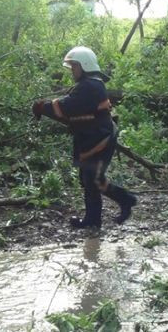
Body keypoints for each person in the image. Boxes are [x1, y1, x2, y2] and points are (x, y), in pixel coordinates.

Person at [32, 46, 137, 229]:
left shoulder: (91, 85)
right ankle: (106, 211)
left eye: (74, 66)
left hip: (99, 138)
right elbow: (72, 110)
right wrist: (46, 107)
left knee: (92, 179)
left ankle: (113, 208)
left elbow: (68, 106)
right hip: (93, 137)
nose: (72, 70)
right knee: (90, 179)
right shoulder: (90, 83)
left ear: (85, 65)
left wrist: (43, 107)